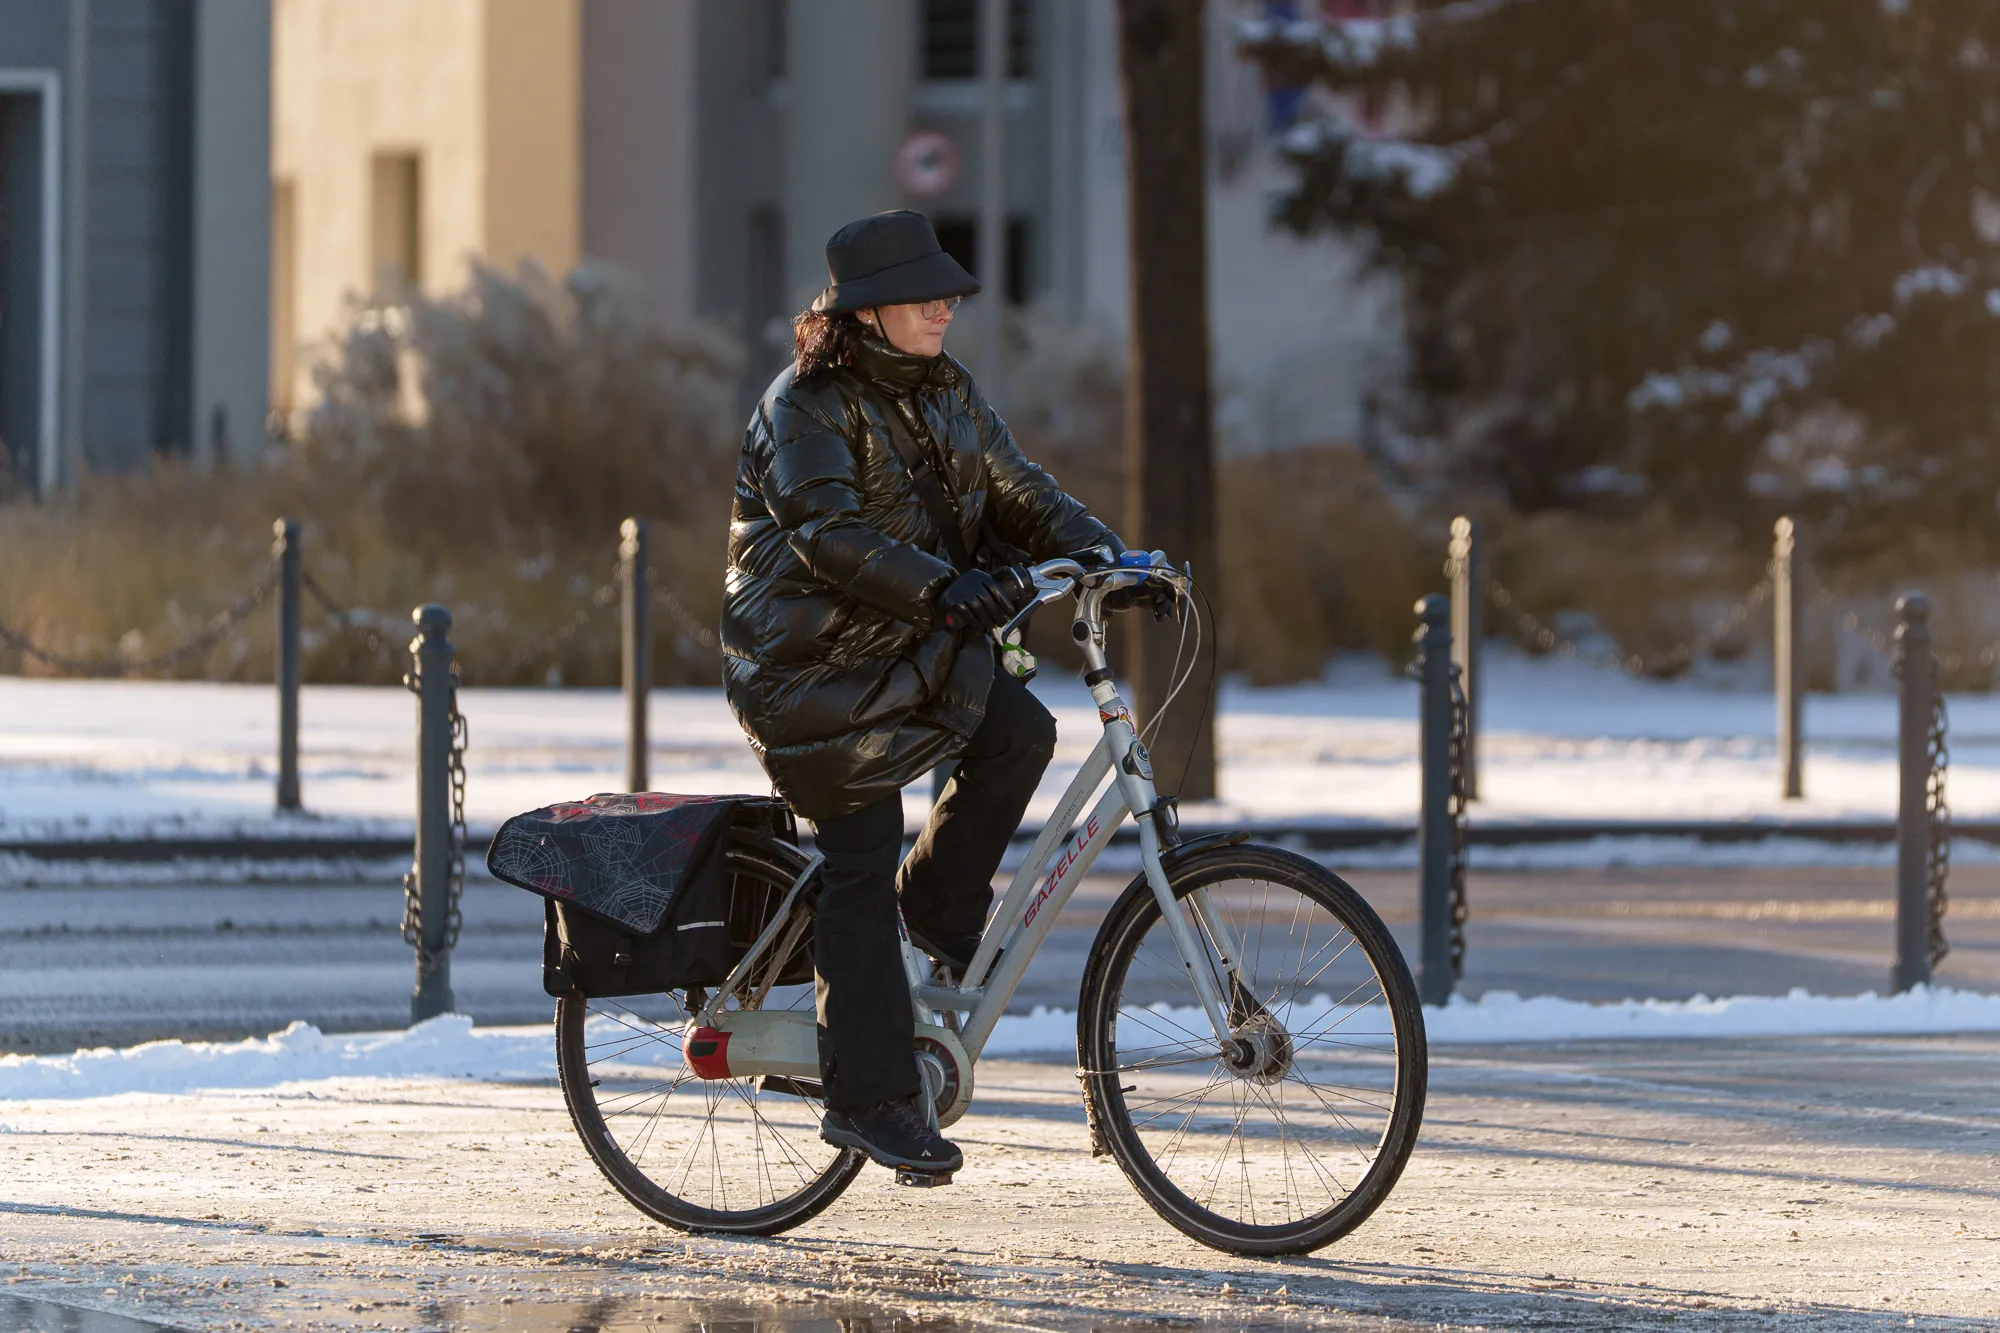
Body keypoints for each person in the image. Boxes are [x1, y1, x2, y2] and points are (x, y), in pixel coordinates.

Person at [720, 211, 1122, 1177]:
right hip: (808, 671)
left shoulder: (945, 391)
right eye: (925, 291)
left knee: (1020, 729)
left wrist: (1108, 552)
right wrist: (947, 587)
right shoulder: (802, 405)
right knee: (859, 857)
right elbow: (830, 534)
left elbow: (1018, 489)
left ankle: (934, 917)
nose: (946, 304)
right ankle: (872, 1100)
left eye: (949, 290)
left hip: (904, 646)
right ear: (866, 311)